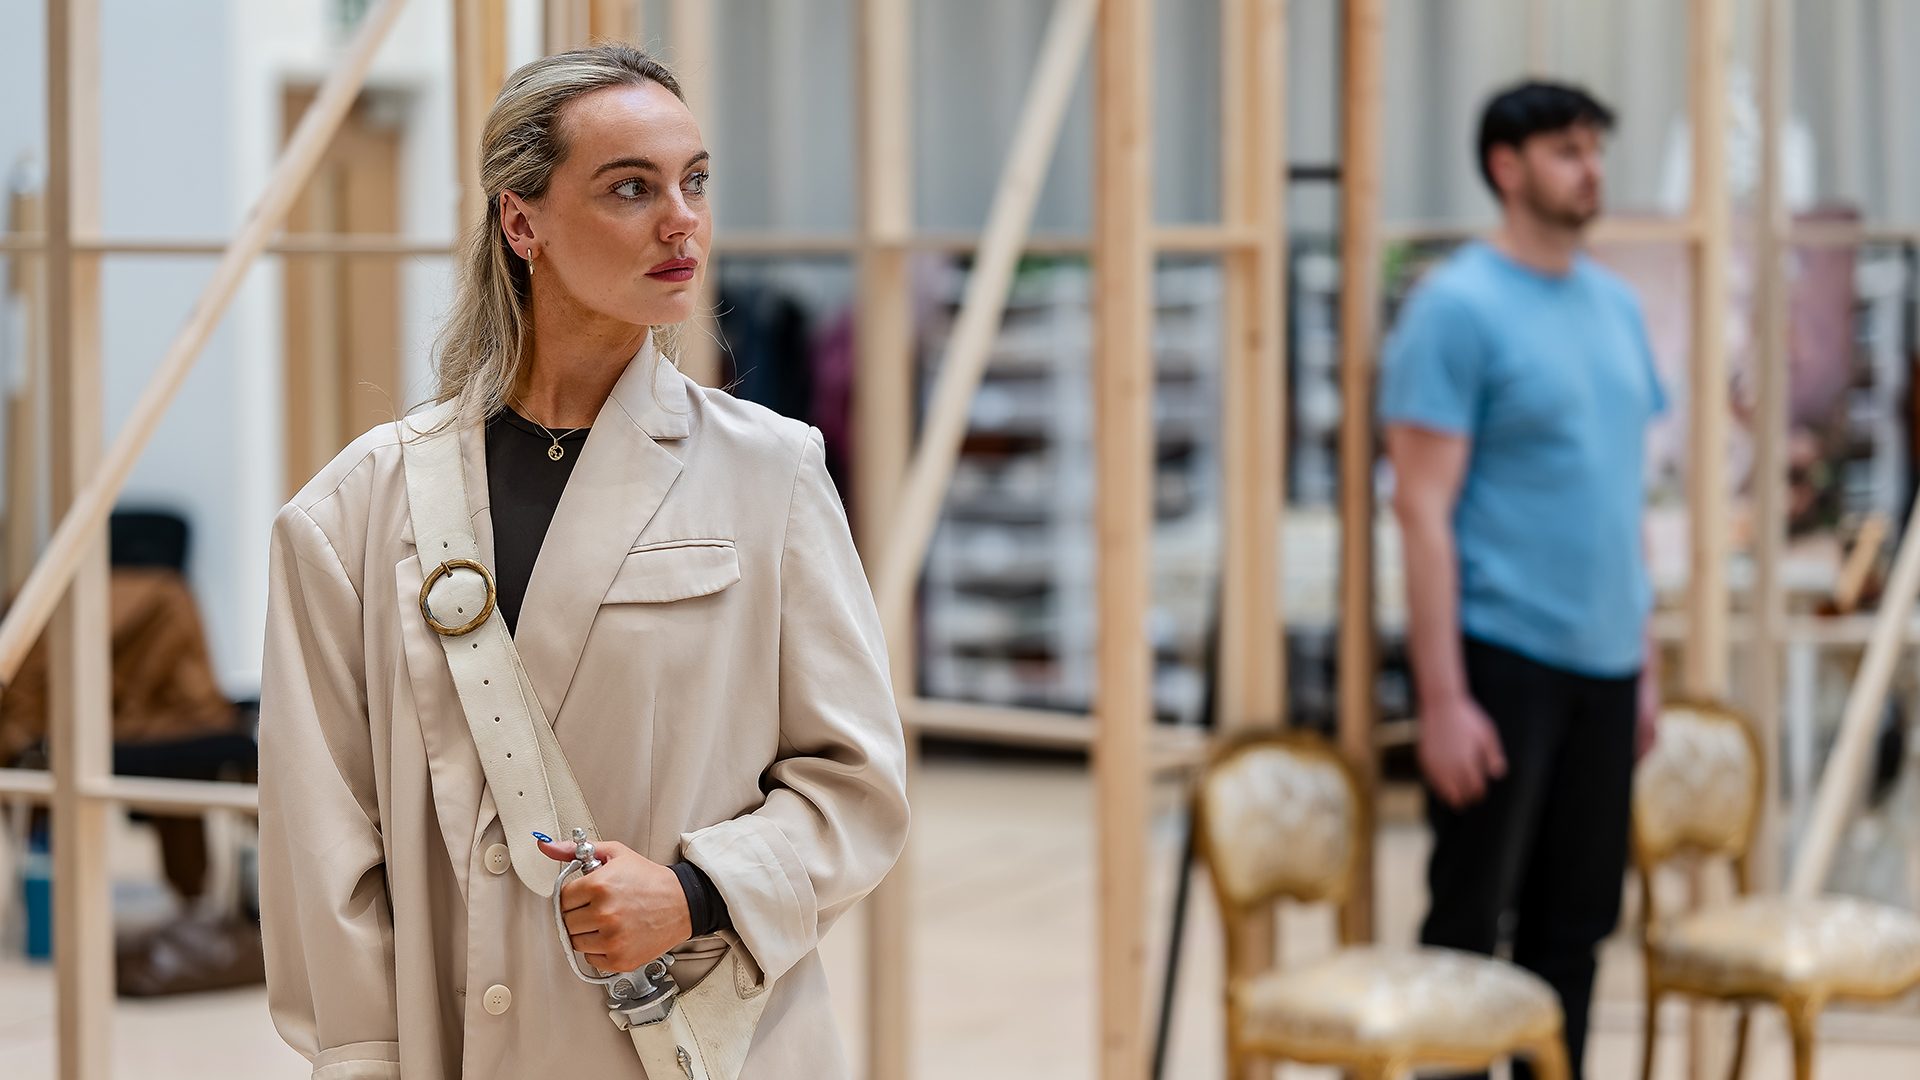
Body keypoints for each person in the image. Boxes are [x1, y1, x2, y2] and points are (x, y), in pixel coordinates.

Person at [257, 45, 909, 1078]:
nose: (681, 221)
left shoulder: (771, 473)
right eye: (631, 188)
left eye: (695, 181)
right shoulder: (353, 513)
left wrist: (697, 892)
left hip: (697, 1043)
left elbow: (857, 782)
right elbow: (322, 847)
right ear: (522, 224)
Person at [1380, 80, 1665, 1080]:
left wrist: (1645, 660)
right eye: (1566, 152)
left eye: (1595, 150)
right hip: (1503, 660)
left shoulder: (1616, 306)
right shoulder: (1457, 309)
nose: (1591, 171)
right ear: (1507, 168)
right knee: (1469, 929)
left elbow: (1622, 496)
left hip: (1606, 665)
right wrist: (1443, 697)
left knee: (1575, 932)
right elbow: (1420, 509)